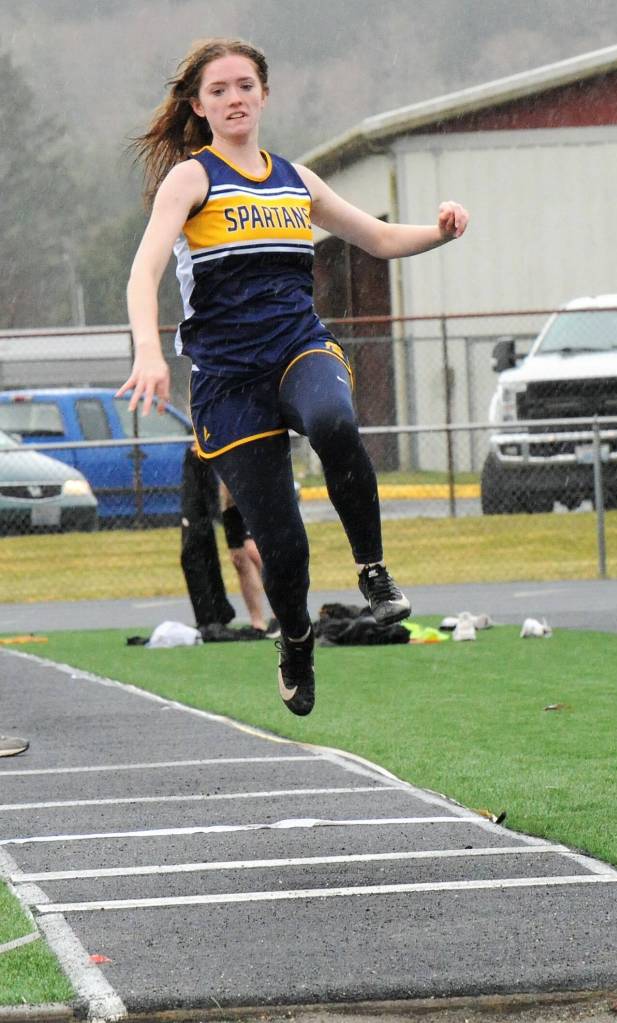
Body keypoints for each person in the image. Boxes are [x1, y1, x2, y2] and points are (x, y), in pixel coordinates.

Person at [118, 37, 469, 715]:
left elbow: (377, 237)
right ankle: (297, 638)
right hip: (228, 378)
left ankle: (373, 571)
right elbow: (144, 270)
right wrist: (148, 350)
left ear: (264, 94)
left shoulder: (295, 179)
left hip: (296, 347)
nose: (233, 98)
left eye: (244, 85)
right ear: (199, 105)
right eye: (217, 90)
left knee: (335, 420)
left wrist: (440, 230)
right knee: (282, 544)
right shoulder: (192, 179)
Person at [181, 442, 276, 636]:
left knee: (255, 553)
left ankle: (281, 616)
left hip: (251, 488)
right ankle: (258, 622)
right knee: (239, 559)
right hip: (230, 497)